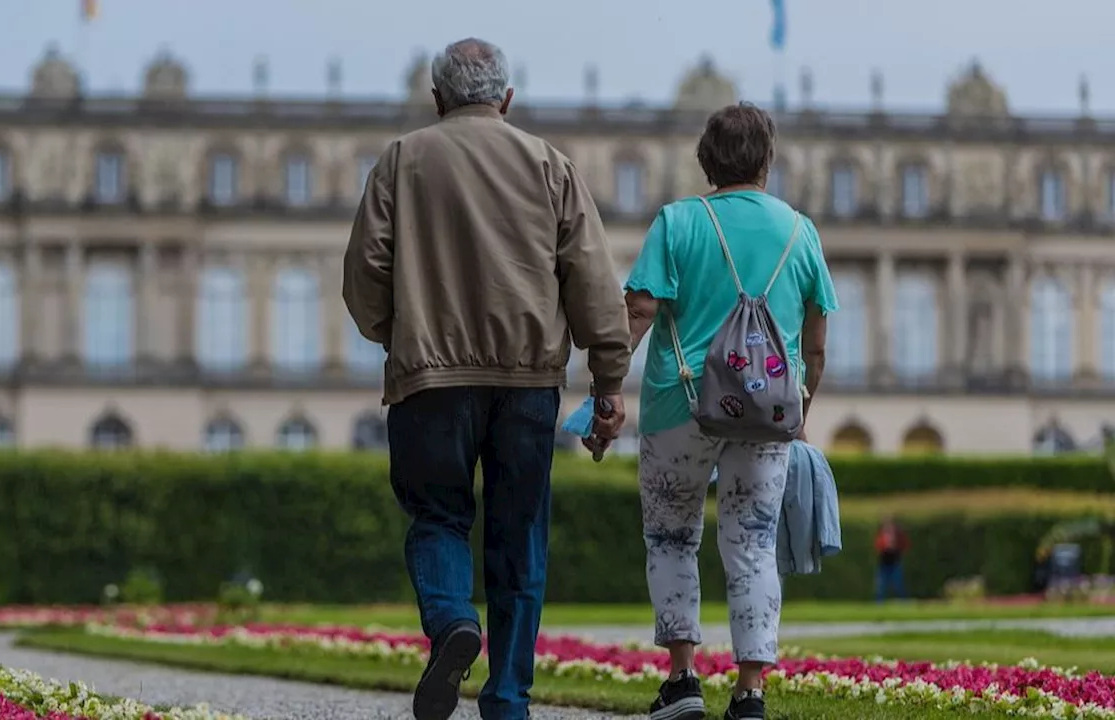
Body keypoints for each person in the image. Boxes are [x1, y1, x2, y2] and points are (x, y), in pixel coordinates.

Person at [342, 37, 631, 720]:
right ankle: (507, 698)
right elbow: (592, 281)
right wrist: (610, 381)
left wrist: (403, 333)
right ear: (506, 99)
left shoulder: (402, 160)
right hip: (528, 382)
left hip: (429, 381)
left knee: (438, 515)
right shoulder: (548, 164)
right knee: (518, 534)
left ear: (438, 99)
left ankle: (450, 623)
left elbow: (363, 279)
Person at [621, 103, 837, 720]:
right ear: (767, 161)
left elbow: (638, 311)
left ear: (705, 161)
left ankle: (684, 680)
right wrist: (799, 408)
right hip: (767, 412)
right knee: (753, 544)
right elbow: (816, 344)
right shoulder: (800, 232)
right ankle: (750, 693)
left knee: (670, 536)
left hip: (678, 406)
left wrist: (605, 386)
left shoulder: (678, 221)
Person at [874, 515, 909, 602]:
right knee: (881, 586)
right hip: (884, 563)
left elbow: (905, 545)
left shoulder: (898, 535)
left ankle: (904, 602)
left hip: (895, 563)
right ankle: (879, 603)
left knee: (898, 585)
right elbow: (878, 546)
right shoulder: (882, 535)